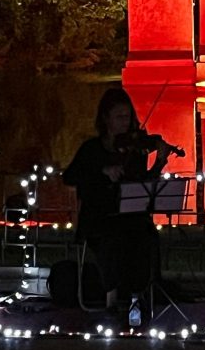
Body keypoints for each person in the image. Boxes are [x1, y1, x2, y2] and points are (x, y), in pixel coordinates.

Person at [62, 88, 174, 325]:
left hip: (129, 216)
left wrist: (160, 164)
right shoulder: (91, 149)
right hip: (98, 217)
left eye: (128, 117)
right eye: (119, 117)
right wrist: (103, 171)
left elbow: (142, 185)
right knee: (112, 238)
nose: (126, 123)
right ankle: (112, 297)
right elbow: (70, 176)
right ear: (106, 119)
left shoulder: (134, 149)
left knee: (146, 236)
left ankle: (137, 294)